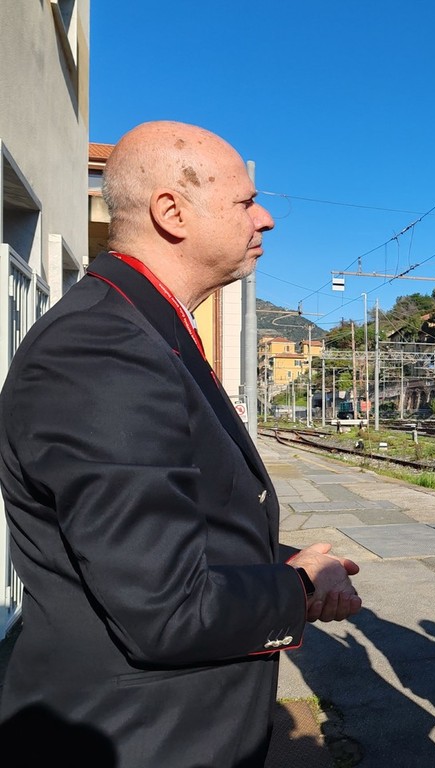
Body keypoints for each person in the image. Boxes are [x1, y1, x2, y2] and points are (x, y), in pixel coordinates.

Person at [0, 121, 362, 767]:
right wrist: (297, 586)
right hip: (141, 739)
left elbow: (170, 529)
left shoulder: (142, 329)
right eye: (245, 202)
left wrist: (287, 561)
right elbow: (164, 608)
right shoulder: (103, 351)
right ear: (172, 213)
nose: (265, 219)